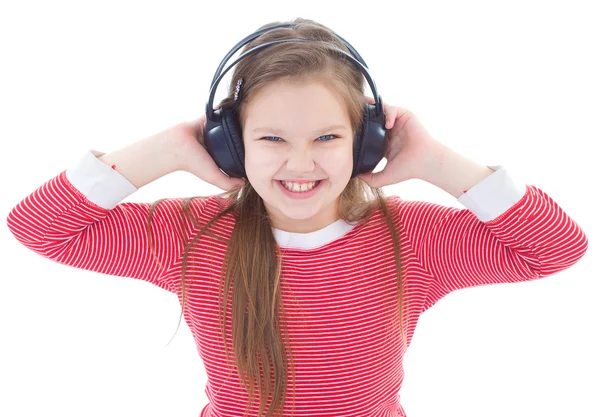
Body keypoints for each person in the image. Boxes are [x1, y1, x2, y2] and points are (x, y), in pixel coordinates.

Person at [5, 17, 589, 417]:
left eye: (328, 137)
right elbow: (38, 227)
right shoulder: (189, 235)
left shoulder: (410, 238)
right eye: (272, 137)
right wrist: (162, 150)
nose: (300, 162)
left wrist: (437, 162)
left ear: (365, 145)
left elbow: (557, 248)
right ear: (230, 144)